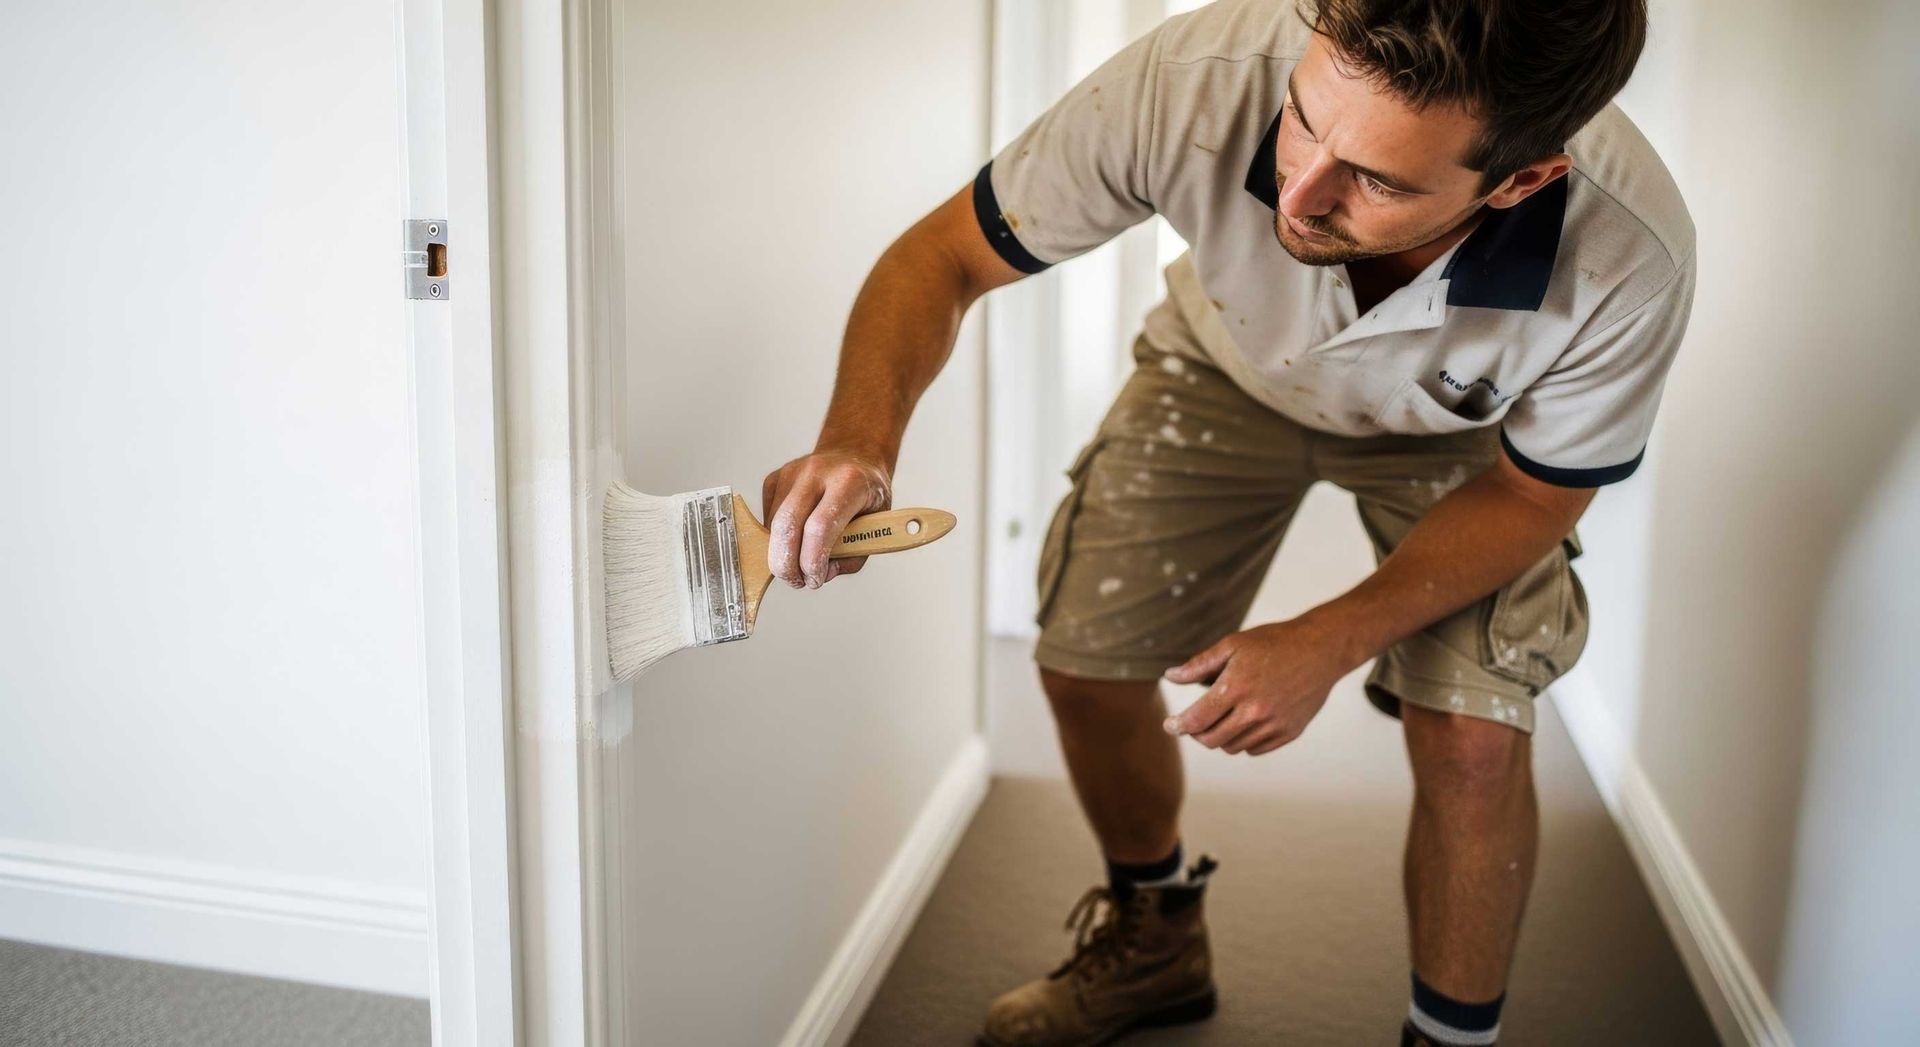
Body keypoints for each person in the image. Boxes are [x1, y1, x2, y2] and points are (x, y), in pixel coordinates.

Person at [760, 0, 1692, 1043]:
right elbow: (943, 257)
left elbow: (1537, 493)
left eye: (1378, 181)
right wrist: (858, 439)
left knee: (1476, 733)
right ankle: (1155, 936)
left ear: (1521, 182)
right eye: (1302, 122)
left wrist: (1328, 638)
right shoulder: (1191, 75)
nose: (1300, 191)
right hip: (1225, 364)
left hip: (1469, 446)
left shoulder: (1630, 254)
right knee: (1084, 658)